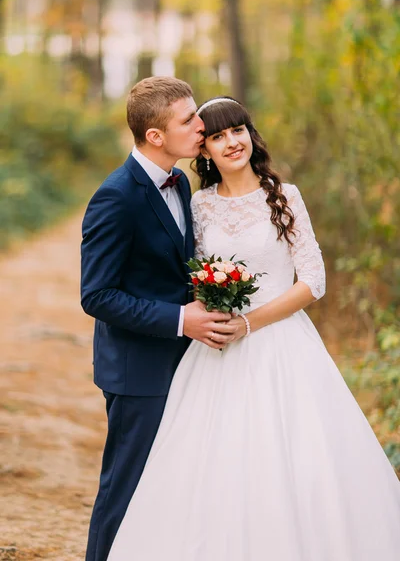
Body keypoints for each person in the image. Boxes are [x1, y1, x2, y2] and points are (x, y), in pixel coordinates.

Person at [106, 95, 400, 561]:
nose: (231, 142)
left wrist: (248, 323)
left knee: (298, 460)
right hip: (216, 350)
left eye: (237, 130)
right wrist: (212, 313)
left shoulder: (284, 196)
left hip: (282, 344)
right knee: (213, 466)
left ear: (250, 134)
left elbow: (314, 281)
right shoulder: (198, 204)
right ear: (204, 150)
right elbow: (194, 276)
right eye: (217, 136)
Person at [81, 81, 238, 561]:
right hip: (138, 371)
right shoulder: (116, 198)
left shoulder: (182, 181)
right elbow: (97, 295)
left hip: (185, 365)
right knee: (125, 490)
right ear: (154, 135)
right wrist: (179, 320)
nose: (201, 126)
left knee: (168, 490)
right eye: (189, 120)